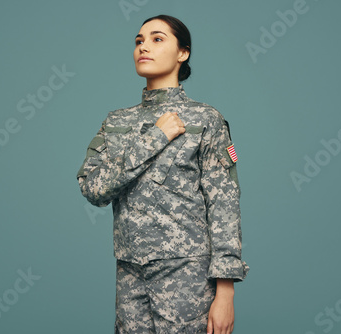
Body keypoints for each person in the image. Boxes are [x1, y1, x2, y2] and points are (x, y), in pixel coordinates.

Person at [76, 14, 249, 334]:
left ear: (183, 52)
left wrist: (226, 291)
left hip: (188, 275)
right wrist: (153, 139)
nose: (144, 46)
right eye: (139, 41)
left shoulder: (205, 119)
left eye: (157, 39)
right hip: (130, 273)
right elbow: (93, 190)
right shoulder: (116, 122)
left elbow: (224, 204)